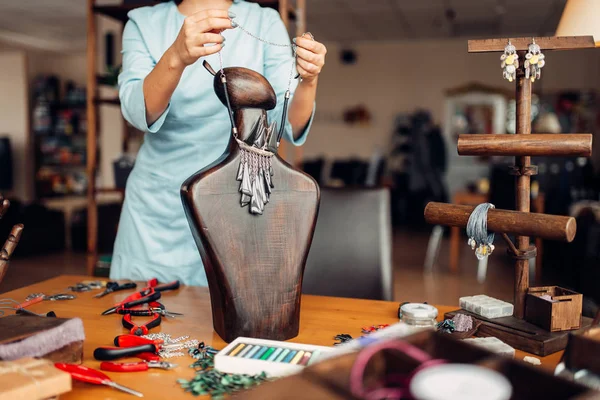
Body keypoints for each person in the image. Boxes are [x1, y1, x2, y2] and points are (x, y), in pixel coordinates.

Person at [110, 0, 327, 285]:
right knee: (141, 316)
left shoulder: (264, 21)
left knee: (230, 315)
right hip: (158, 214)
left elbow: (288, 124)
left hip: (237, 205)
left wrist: (309, 80)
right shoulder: (143, 23)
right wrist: (176, 55)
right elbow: (138, 113)